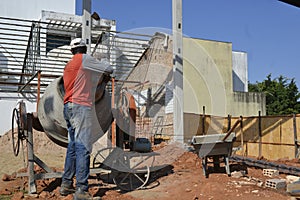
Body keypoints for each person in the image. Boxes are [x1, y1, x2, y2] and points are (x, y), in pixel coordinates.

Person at [59, 38, 113, 199]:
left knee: (73, 147)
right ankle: (81, 190)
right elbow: (109, 69)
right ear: (84, 48)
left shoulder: (69, 65)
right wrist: (102, 59)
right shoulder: (85, 59)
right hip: (81, 107)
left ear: (72, 51)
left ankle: (66, 184)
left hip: (68, 107)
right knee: (83, 148)